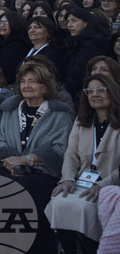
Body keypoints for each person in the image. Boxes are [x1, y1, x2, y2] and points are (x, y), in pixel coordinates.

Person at [0, 61, 75, 254]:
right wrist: (11, 162)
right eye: (23, 81)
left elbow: (60, 150)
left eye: (33, 81)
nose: (26, 85)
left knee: (26, 189)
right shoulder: (10, 110)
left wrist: (25, 160)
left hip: (43, 171)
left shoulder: (59, 114)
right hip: (11, 168)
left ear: (46, 87)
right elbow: (1, 140)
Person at [47, 74, 120, 253]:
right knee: (58, 202)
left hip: (111, 185)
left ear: (112, 92)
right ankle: (70, 250)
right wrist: (67, 179)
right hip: (83, 181)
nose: (95, 94)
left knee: (85, 208)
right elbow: (71, 154)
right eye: (90, 91)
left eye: (101, 90)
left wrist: (102, 185)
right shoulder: (82, 120)